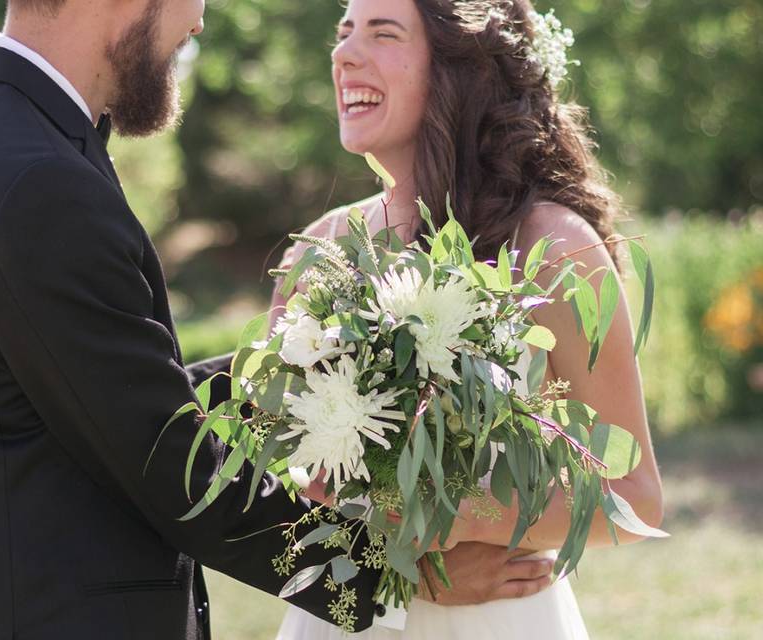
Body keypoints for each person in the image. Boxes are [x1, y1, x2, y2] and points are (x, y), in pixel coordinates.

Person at [0, 0, 398, 637]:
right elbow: (180, 473)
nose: (200, 22)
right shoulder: (40, 181)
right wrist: (398, 577)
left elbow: (94, 397)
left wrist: (286, 372)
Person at [271, 0, 664, 638]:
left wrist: (469, 518)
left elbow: (636, 497)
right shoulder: (317, 253)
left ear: (460, 68)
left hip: (500, 618)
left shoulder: (556, 251)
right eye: (343, 33)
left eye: (382, 32)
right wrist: (399, 572)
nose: (344, 53)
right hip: (346, 618)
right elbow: (276, 496)